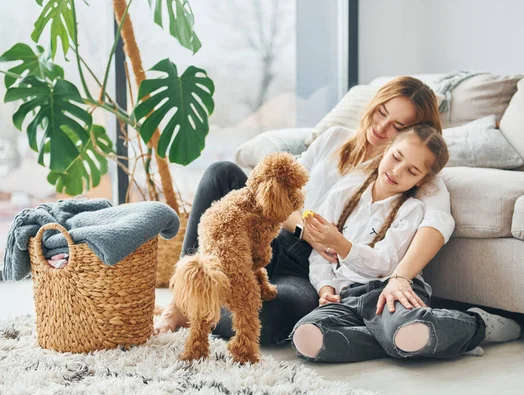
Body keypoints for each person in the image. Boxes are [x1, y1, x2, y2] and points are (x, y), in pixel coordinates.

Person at [155, 76, 454, 345]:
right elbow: (281, 192)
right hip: (274, 234)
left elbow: (437, 225)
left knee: (271, 322)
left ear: (414, 134)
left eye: (397, 127)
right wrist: (305, 231)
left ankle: (206, 303)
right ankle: (182, 301)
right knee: (222, 173)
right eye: (381, 112)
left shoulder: (412, 176)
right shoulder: (334, 139)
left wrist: (400, 277)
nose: (381, 127)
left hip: (308, 270)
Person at [291, 125, 521, 362]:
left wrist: (341, 244)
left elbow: (384, 264)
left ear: (422, 180)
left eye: (411, 171)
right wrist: (326, 288)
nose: (397, 171)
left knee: (408, 332)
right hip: (345, 296)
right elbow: (320, 250)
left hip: (389, 293)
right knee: (306, 338)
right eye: (396, 157)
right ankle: (427, 341)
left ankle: (476, 326)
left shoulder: (412, 210)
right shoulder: (343, 193)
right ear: (386, 149)